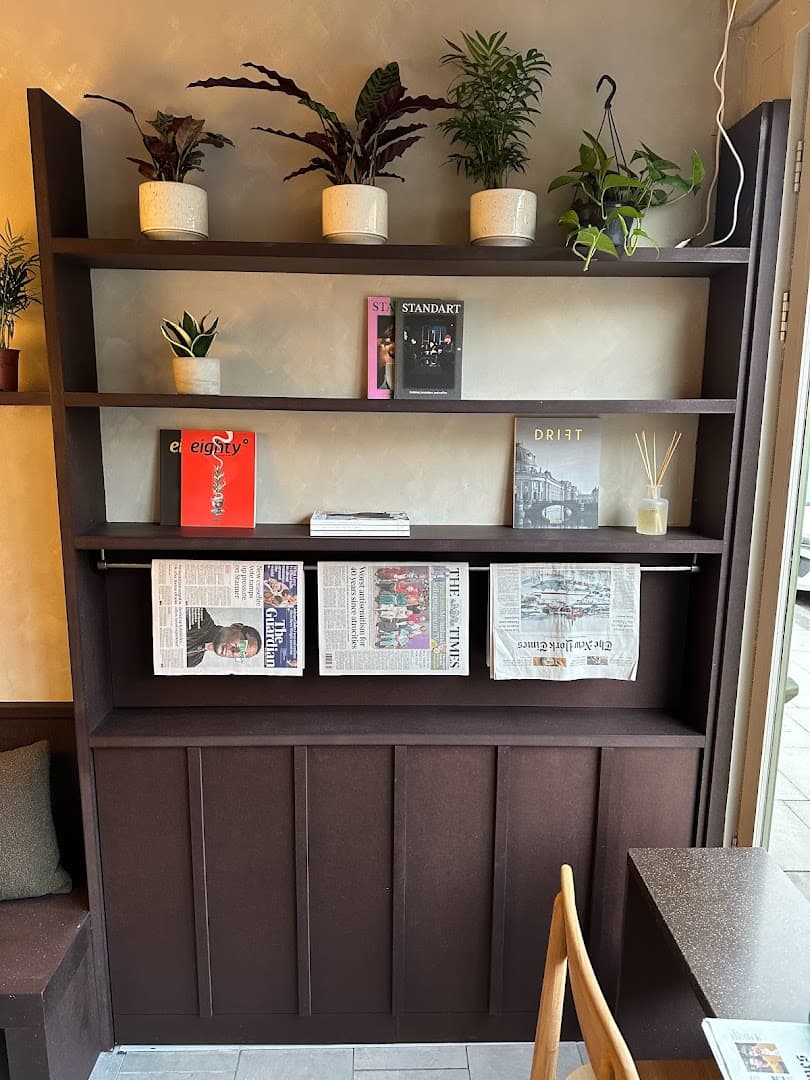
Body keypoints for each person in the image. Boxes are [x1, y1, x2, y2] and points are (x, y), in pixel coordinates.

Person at [185, 607, 261, 668]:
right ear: (236, 626)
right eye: (242, 645)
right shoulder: (198, 616)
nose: (235, 652)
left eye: (241, 655)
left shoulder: (194, 661)